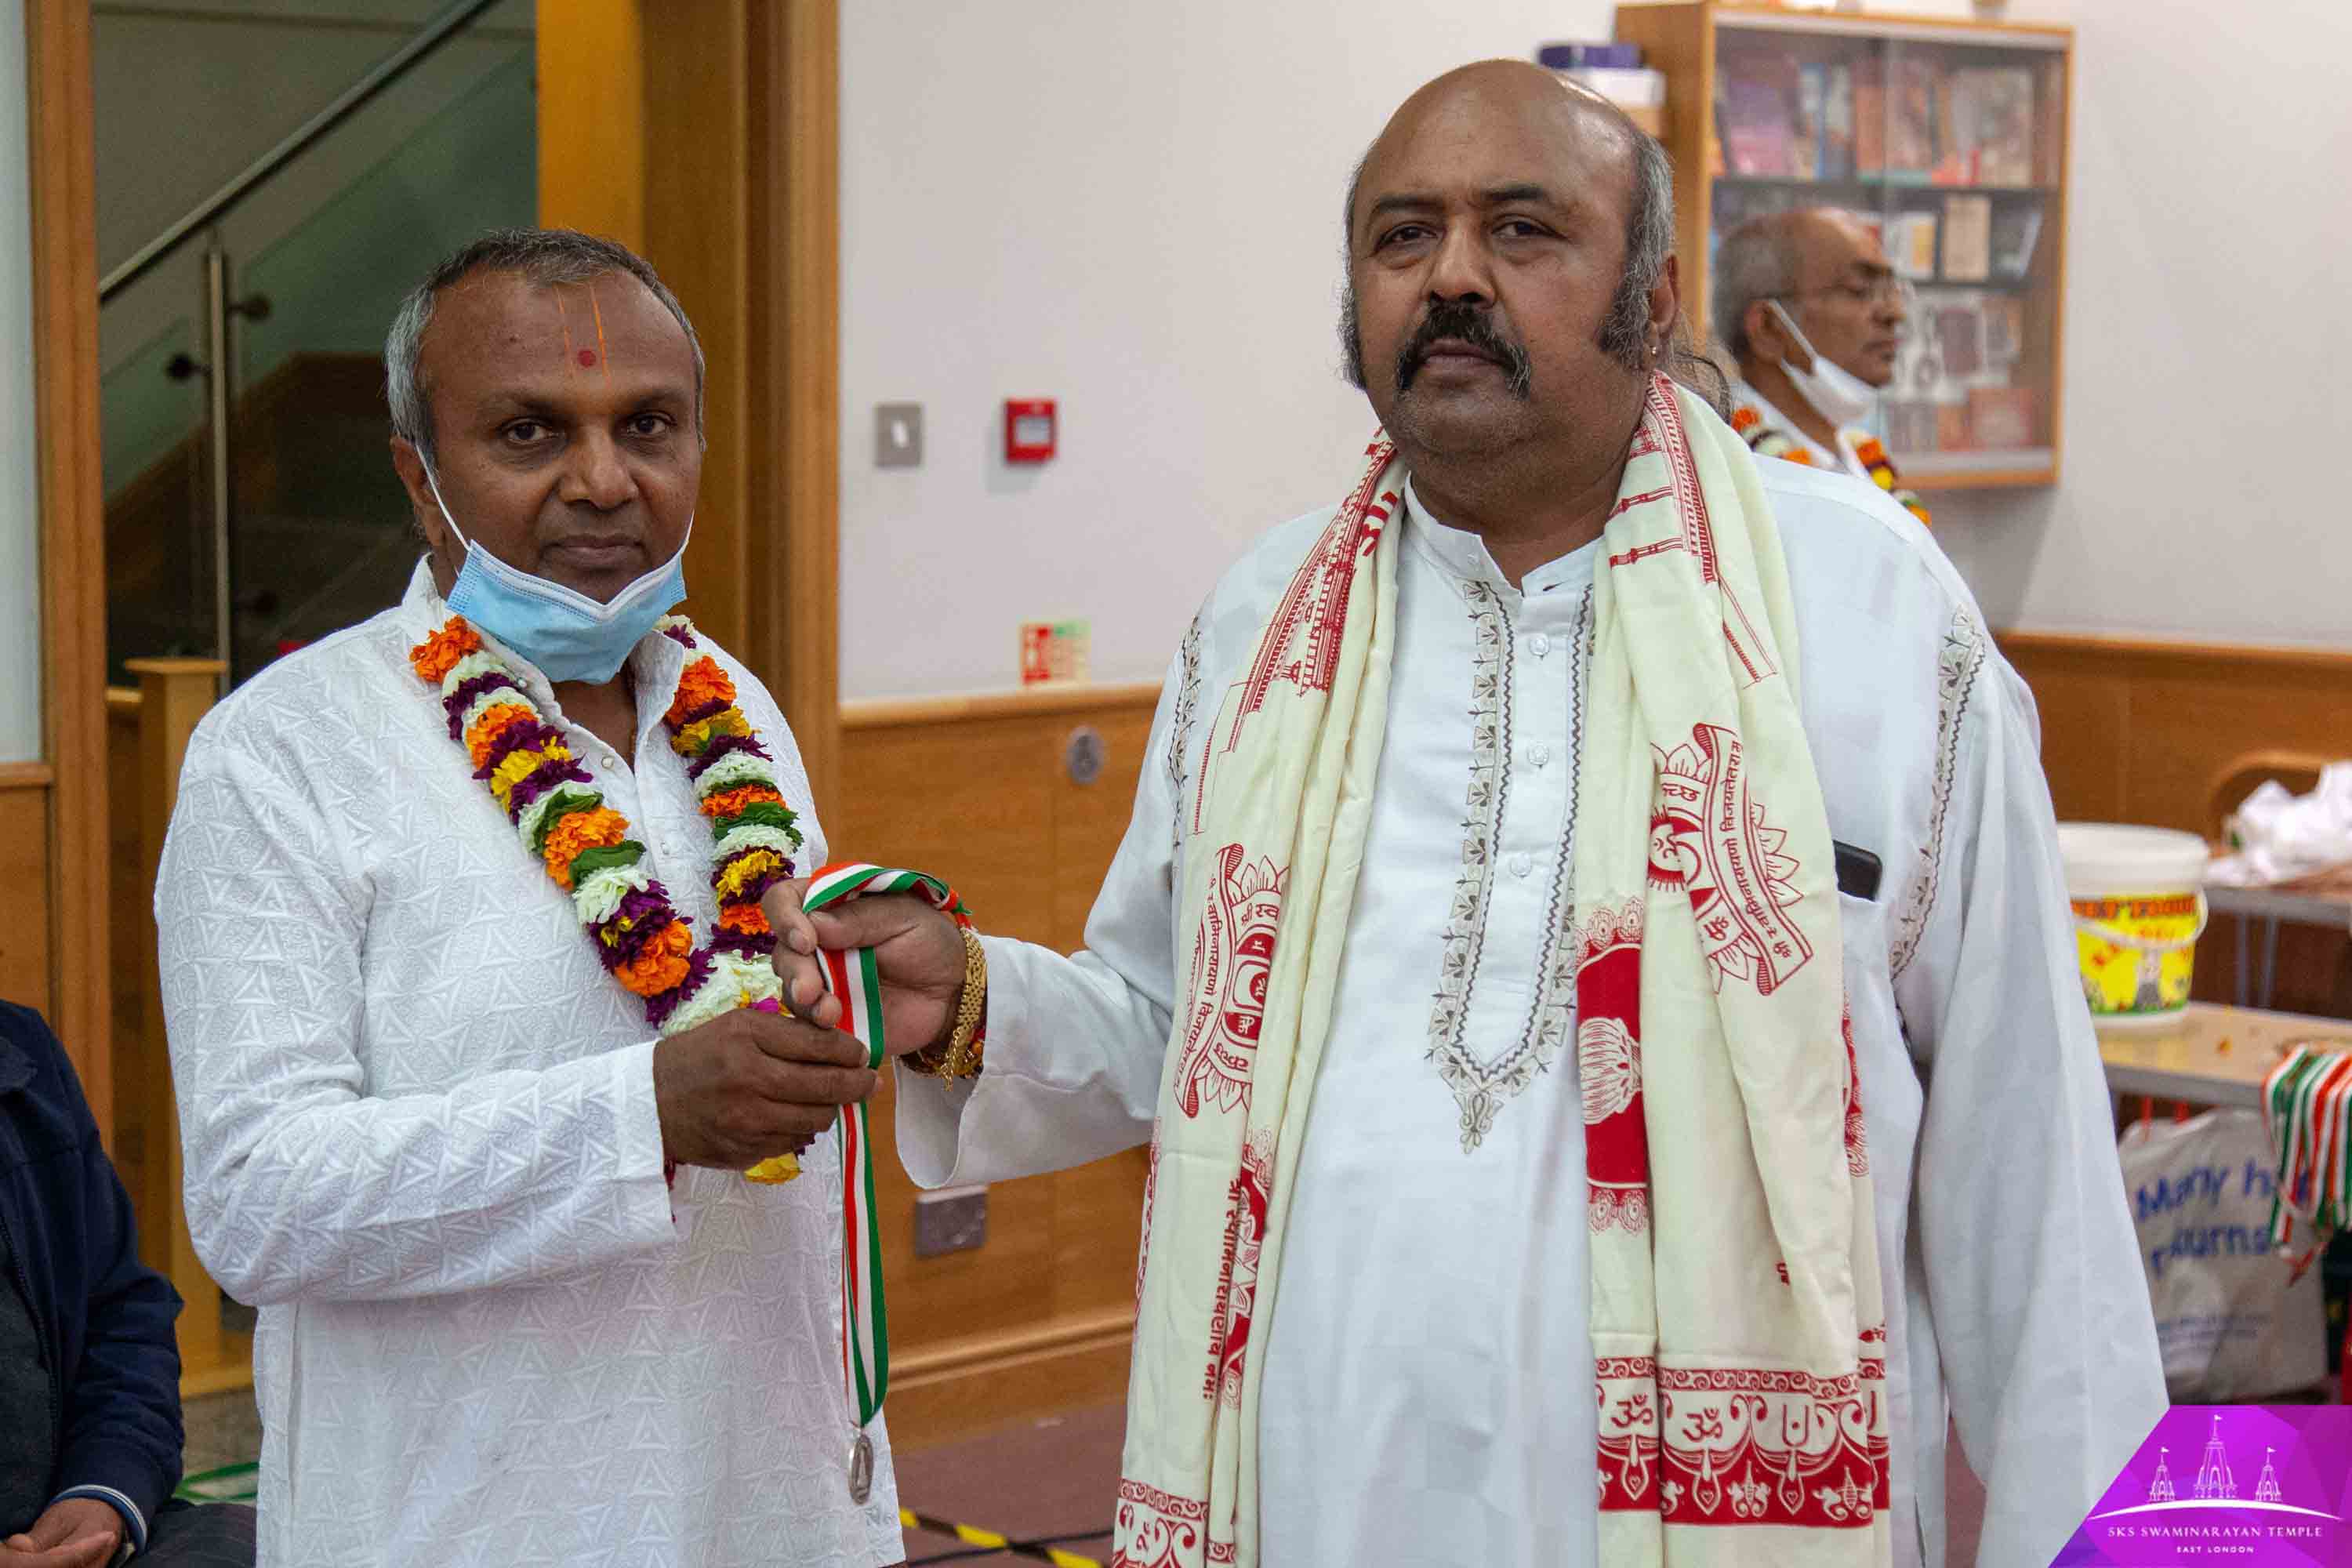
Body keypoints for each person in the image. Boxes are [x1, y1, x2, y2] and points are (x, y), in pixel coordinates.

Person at [765, 64, 2163, 1568]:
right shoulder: (1257, 632)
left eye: (1523, 229)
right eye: (1401, 236)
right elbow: (1174, 1026)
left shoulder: (1873, 616)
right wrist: (970, 1001)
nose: (1451, 277)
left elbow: (2033, 1184)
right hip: (1313, 1505)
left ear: (1656, 298)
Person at [155, 230, 902, 1566]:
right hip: (469, 1518)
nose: (605, 480)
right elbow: (257, 1201)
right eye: (527, 431)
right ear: (419, 479)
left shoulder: (736, 710)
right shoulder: (284, 755)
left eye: (651, 424)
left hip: (769, 1495)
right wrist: (645, 1116)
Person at [0, 1001, 255, 1567]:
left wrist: (102, 1493)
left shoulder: (21, 1054)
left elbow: (121, 1316)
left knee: (273, 1544)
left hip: (60, 1530)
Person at [1715, 207, 1932, 525]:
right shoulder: (1728, 468)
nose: (1894, 312)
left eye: (1892, 290)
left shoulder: (1857, 456)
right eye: (1860, 290)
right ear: (1769, 329)